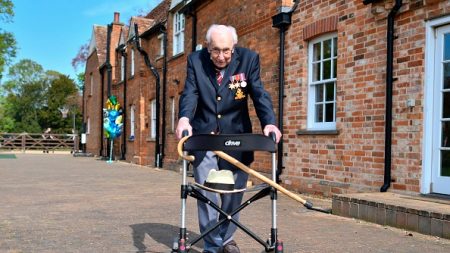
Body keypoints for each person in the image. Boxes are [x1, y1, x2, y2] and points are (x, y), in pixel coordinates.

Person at [176, 24, 282, 253]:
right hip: (205, 138)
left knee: (234, 195)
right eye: (215, 50)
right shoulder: (195, 61)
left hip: (237, 136)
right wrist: (184, 119)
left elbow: (258, 92)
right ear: (207, 47)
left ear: (234, 46)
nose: (221, 56)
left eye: (226, 50)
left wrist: (269, 122)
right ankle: (213, 245)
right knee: (207, 194)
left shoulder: (249, 59)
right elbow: (190, 93)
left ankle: (225, 238)